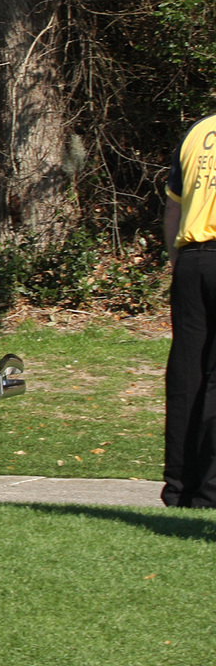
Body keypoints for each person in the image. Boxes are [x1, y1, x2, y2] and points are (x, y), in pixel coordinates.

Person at [162, 108, 216, 508]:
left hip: (192, 260)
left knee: (186, 377)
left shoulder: (198, 132)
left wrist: (177, 260)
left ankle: (178, 487)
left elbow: (174, 209)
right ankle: (210, 492)